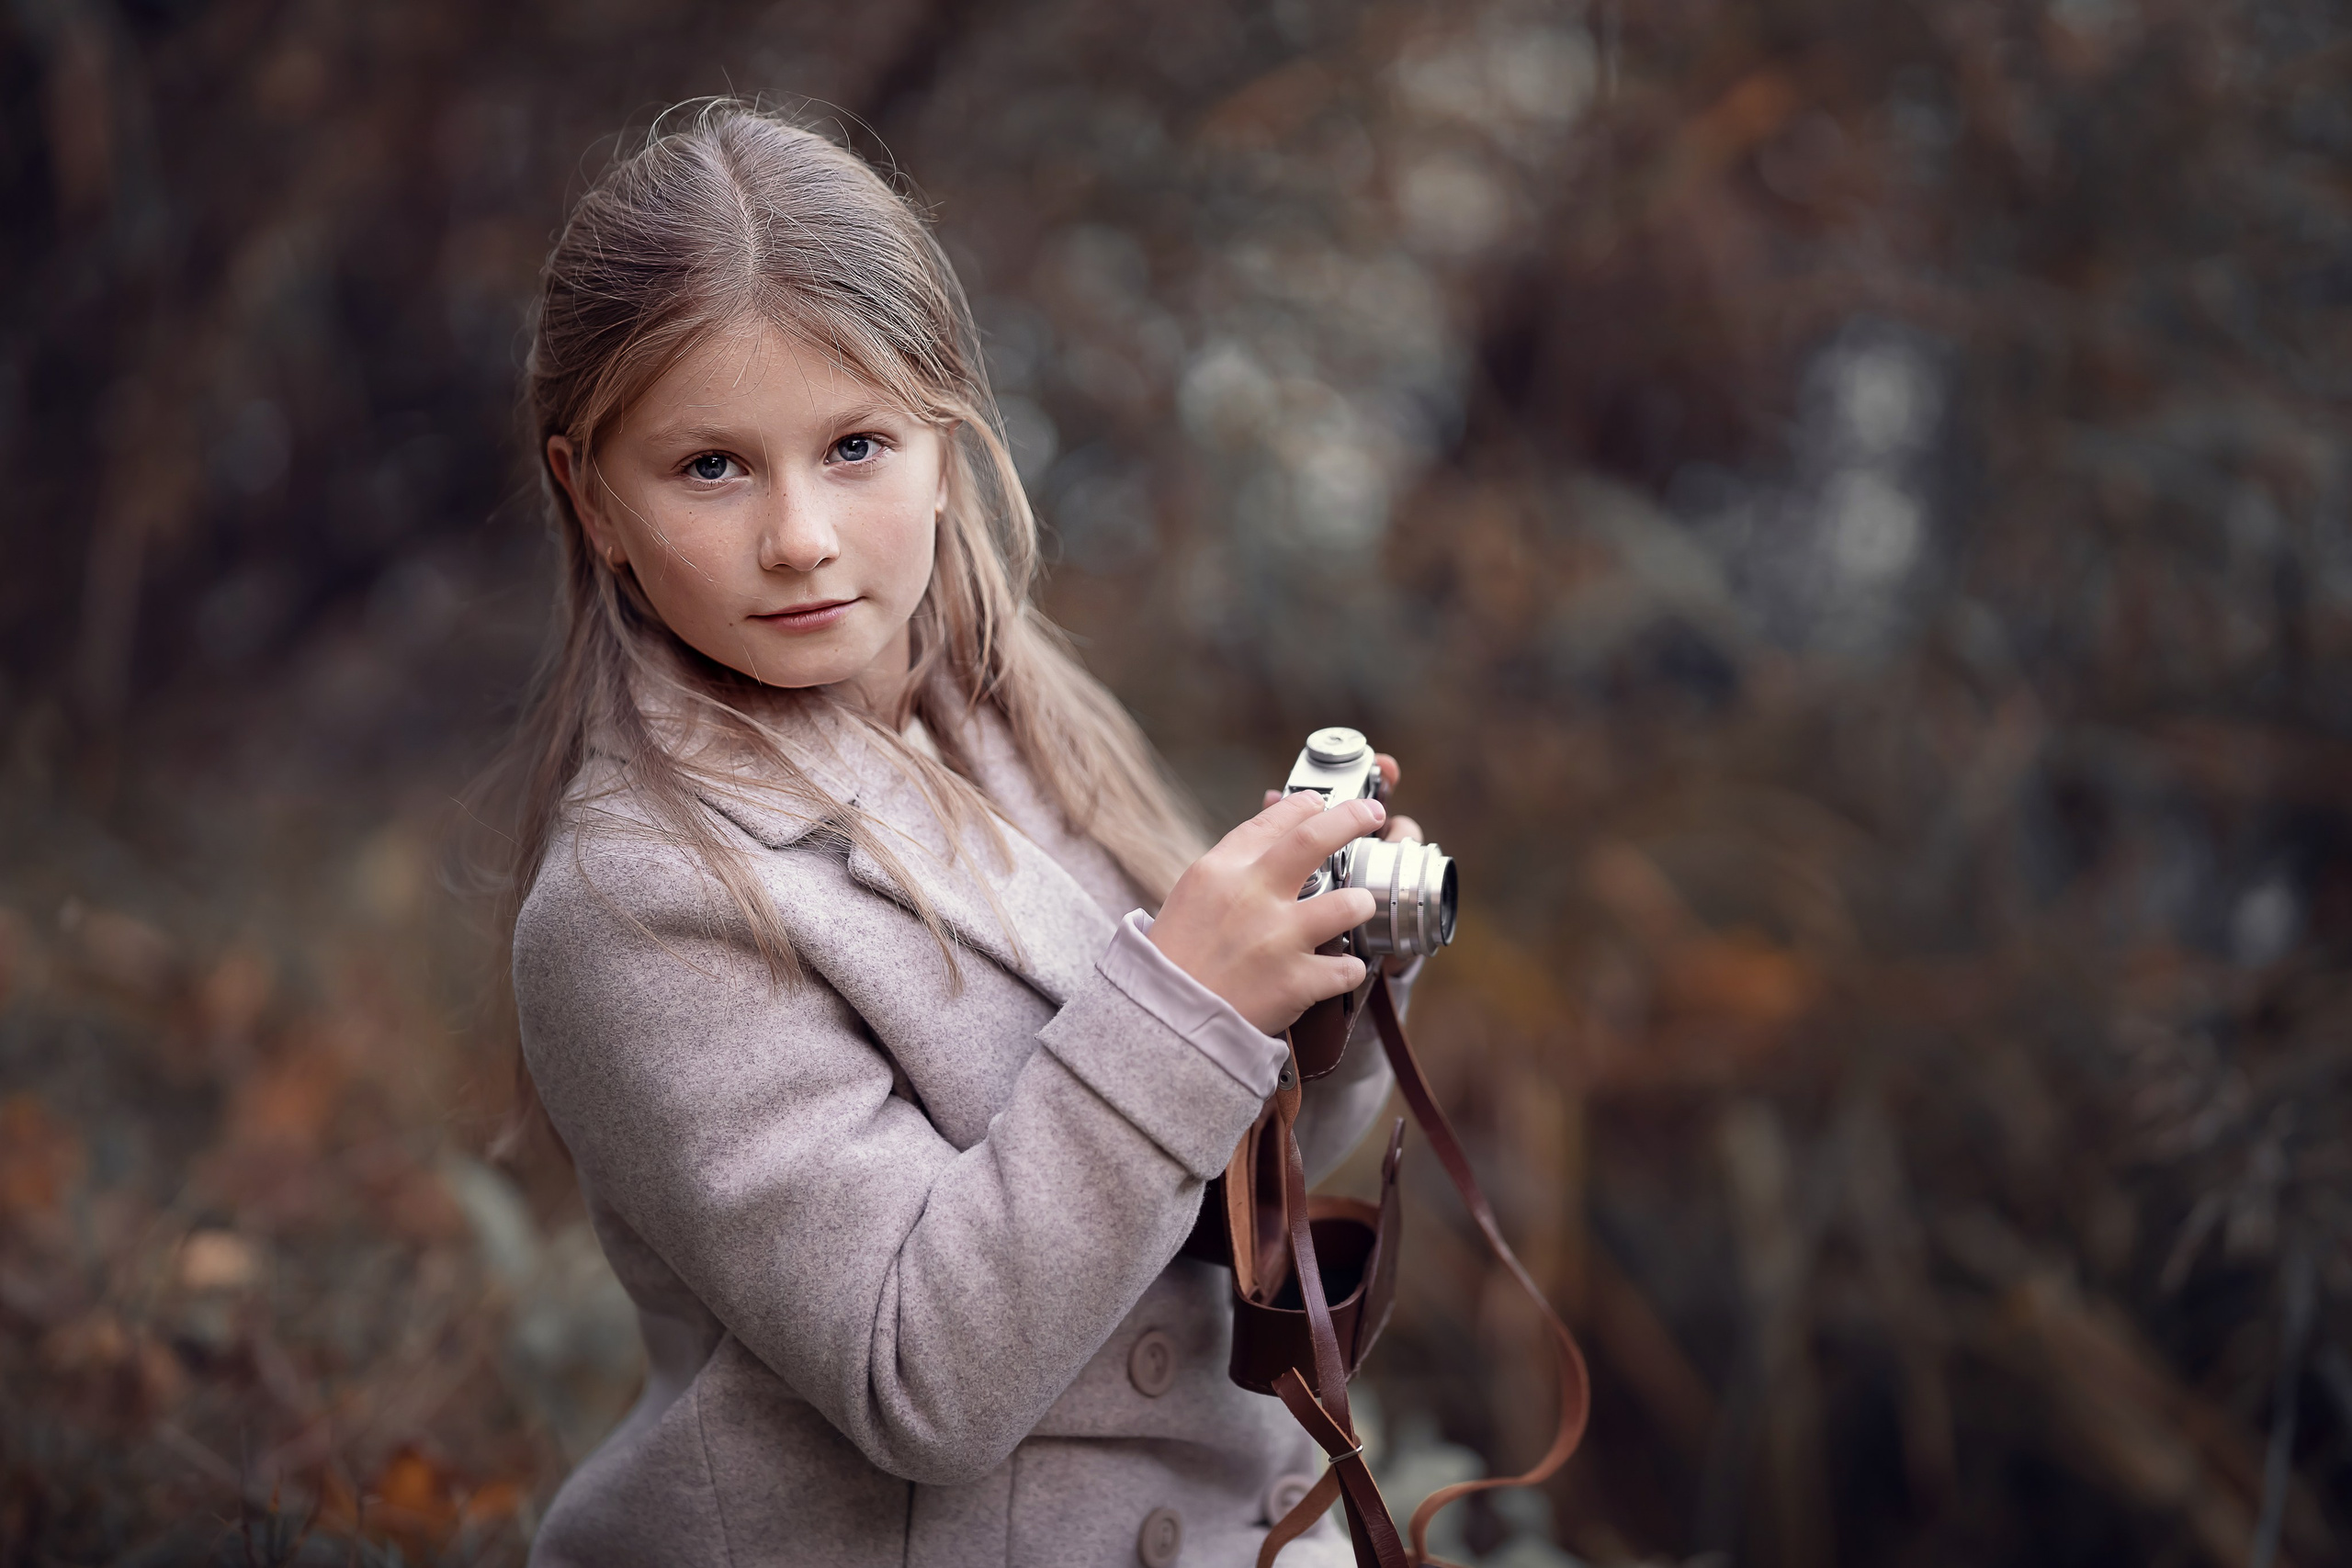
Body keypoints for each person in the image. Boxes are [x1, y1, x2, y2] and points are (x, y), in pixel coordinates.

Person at [493, 102, 1426, 1566]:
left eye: (855, 444)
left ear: (945, 441)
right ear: (591, 496)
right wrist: (1182, 996)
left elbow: (1216, 1182)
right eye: (712, 469)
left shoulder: (1023, 721)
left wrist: (1328, 974)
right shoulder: (640, 896)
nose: (799, 535)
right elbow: (918, 1376)